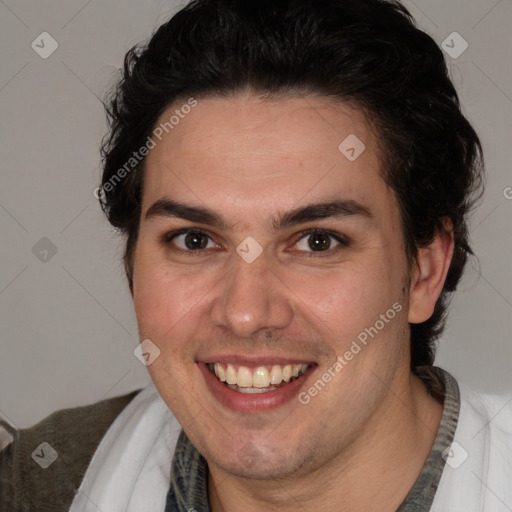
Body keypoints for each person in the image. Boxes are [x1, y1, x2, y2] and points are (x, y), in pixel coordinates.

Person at [2, 0, 511, 510]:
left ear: (424, 271)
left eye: (318, 241)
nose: (245, 313)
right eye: (194, 240)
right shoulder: (42, 483)